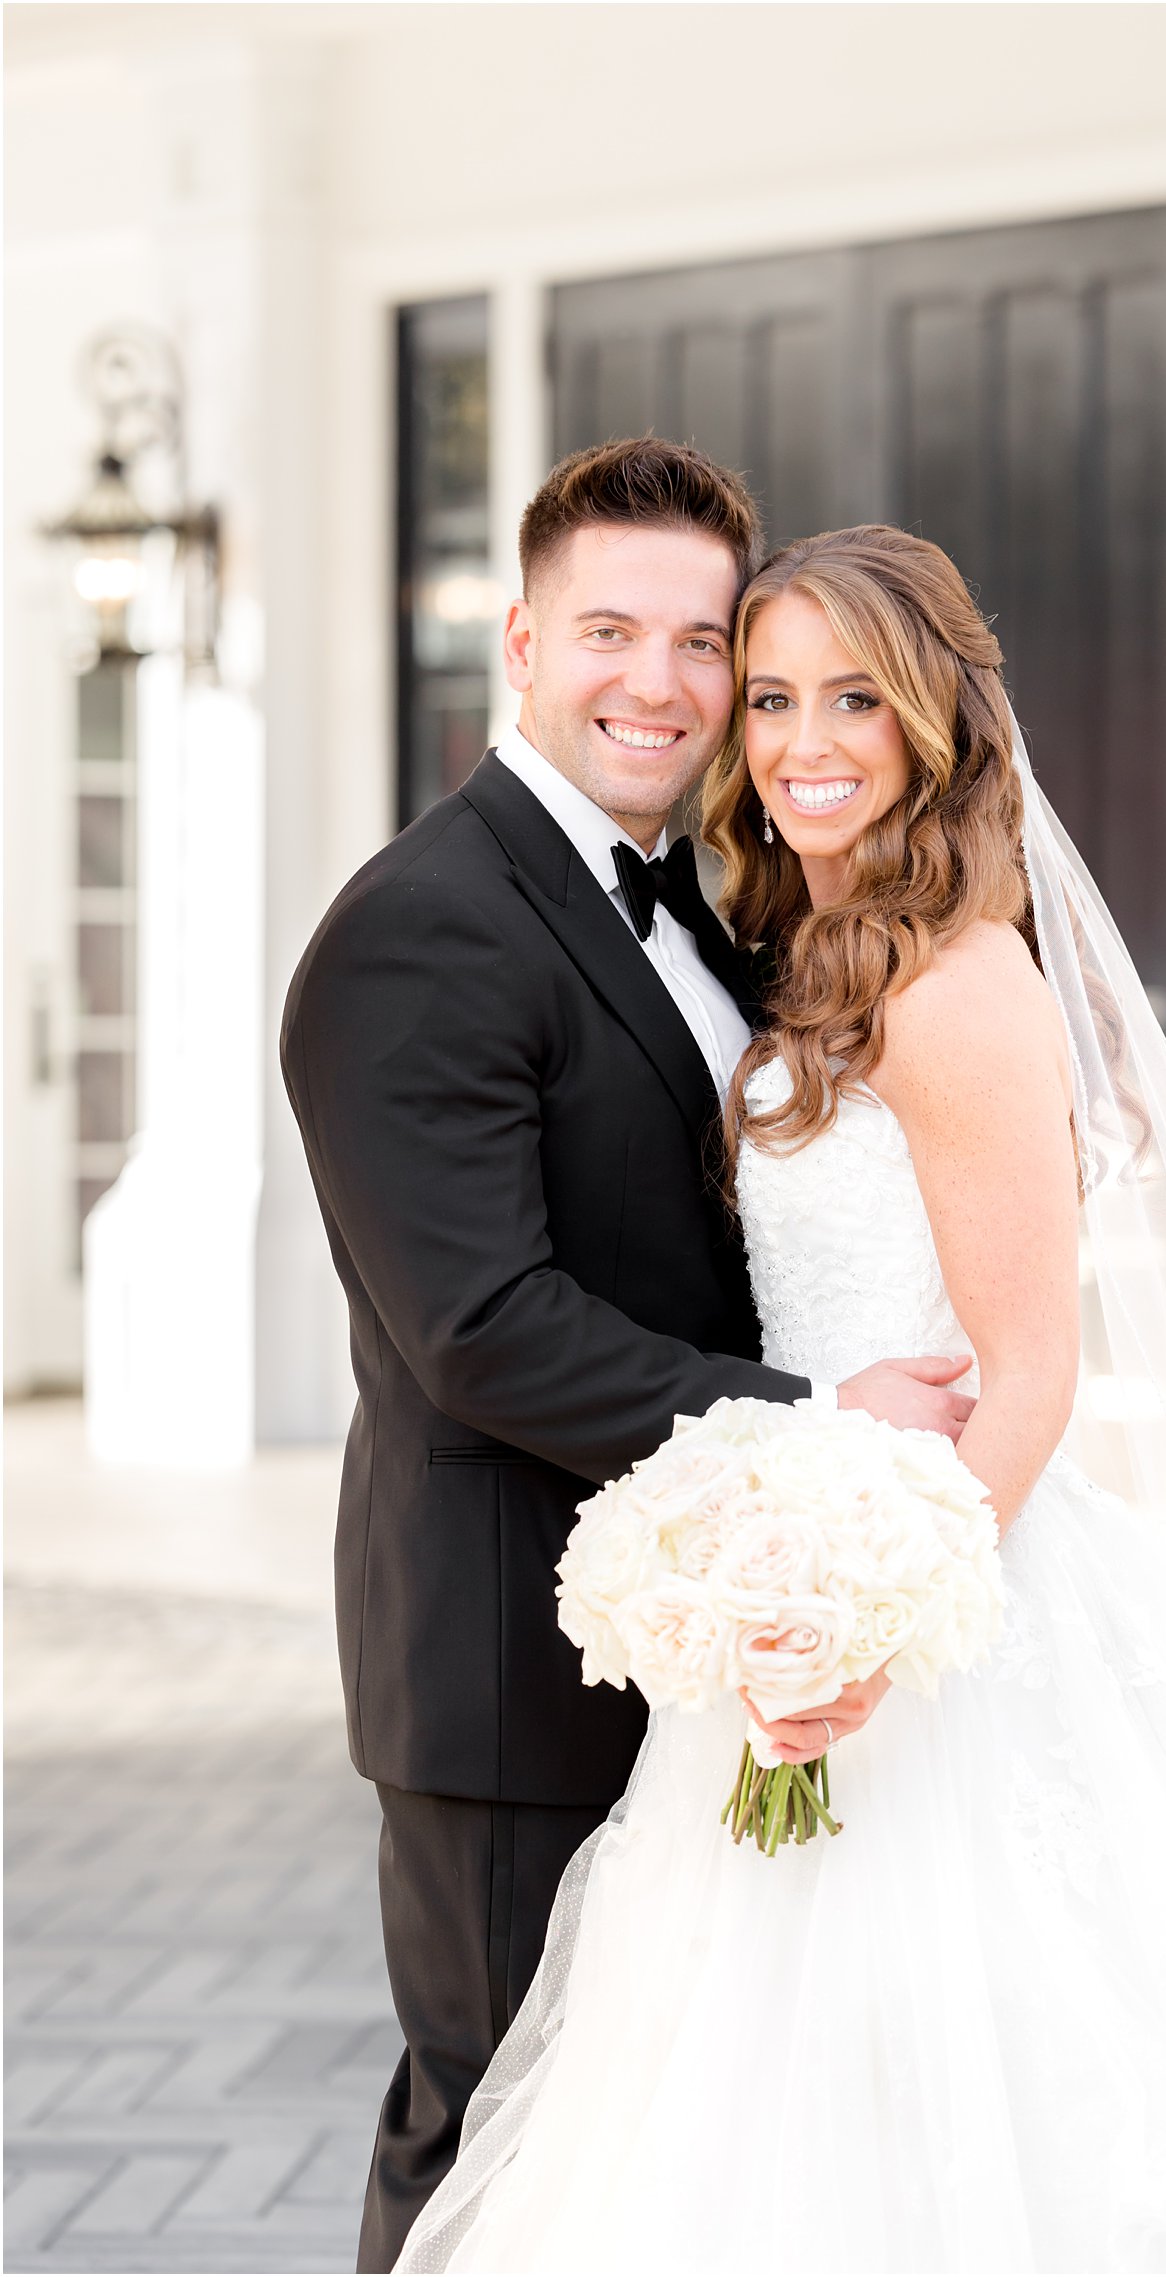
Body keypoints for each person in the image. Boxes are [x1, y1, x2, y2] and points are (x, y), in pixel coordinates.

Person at [396, 523, 1166, 2276]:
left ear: (935, 720)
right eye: (768, 696)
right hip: (807, 1595)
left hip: (941, 1619)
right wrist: (792, 1580)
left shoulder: (958, 977)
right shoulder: (810, 944)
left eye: (855, 695)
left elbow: (1036, 1373)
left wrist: (870, 1622)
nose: (800, 739)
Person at [279, 449, 974, 2273]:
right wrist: (821, 1429)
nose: (656, 684)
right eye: (607, 630)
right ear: (519, 639)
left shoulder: (722, 901)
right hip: (512, 1656)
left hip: (710, 1631)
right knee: (501, 2142)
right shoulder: (424, 926)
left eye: (698, 642)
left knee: (676, 2159)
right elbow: (479, 1323)